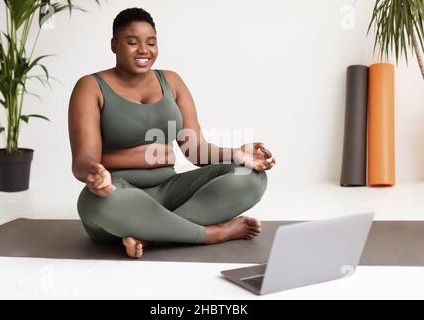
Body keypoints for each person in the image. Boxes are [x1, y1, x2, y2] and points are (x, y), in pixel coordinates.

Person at [68, 7, 276, 258]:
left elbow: (195, 150)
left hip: (170, 190)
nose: (143, 50)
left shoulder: (171, 81)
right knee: (97, 204)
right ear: (114, 44)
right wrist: (95, 172)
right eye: (132, 42)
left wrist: (237, 154)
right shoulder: (91, 87)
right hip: (119, 192)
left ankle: (149, 236)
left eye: (151, 42)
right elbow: (83, 160)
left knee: (250, 177)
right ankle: (213, 233)